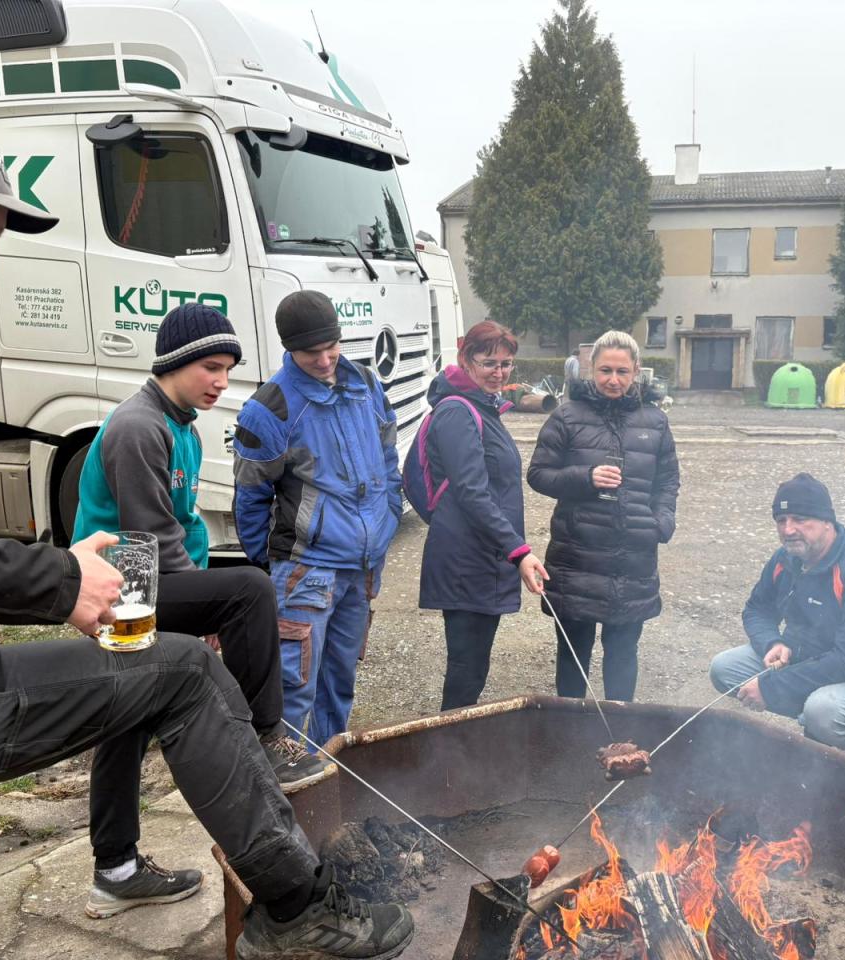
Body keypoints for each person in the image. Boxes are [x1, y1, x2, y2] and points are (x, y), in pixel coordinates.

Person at [0, 109, 411, 959]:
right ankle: (297, 904)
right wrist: (56, 582)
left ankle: (127, 852)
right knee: (188, 660)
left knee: (147, 680)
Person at [71, 303, 329, 917]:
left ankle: (115, 869)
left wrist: (203, 606)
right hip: (118, 587)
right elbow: (152, 538)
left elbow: (184, 532)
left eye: (227, 369)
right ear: (173, 363)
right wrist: (207, 609)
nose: (220, 381)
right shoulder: (139, 427)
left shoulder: (181, 425)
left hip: (144, 580)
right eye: (210, 367)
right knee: (252, 589)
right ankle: (265, 736)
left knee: (126, 721)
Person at [233, 291, 401, 751]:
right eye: (312, 353)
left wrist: (388, 518)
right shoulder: (268, 409)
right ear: (289, 348)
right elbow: (250, 499)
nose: (326, 360)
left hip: (363, 567)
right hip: (306, 571)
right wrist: (269, 566)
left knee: (339, 683)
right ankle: (286, 780)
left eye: (332, 347)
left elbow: (389, 456)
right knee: (293, 690)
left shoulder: (366, 384)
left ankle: (330, 773)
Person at [709, 474, 845, 764]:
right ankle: (816, 725)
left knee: (823, 710)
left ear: (827, 521)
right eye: (781, 520)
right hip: (811, 658)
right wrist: (772, 642)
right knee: (725, 669)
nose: (788, 529)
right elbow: (757, 609)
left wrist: (770, 689)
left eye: (800, 519)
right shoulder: (786, 558)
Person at [528, 330, 680, 701]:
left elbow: (668, 481)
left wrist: (661, 523)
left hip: (633, 559)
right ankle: (569, 727)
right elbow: (538, 474)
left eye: (622, 372)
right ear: (591, 370)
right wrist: (585, 477)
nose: (613, 380)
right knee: (573, 657)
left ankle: (621, 729)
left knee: (623, 655)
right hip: (576, 559)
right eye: (605, 371)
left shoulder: (655, 421)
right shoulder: (567, 416)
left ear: (636, 371)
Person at [418, 321, 549, 709]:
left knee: (474, 667)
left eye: (506, 364)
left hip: (484, 554)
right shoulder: (457, 412)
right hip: (465, 560)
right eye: (489, 363)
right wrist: (519, 551)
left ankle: (457, 740)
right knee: (466, 670)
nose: (499, 372)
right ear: (465, 359)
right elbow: (472, 493)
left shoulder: (482, 407)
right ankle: (450, 743)